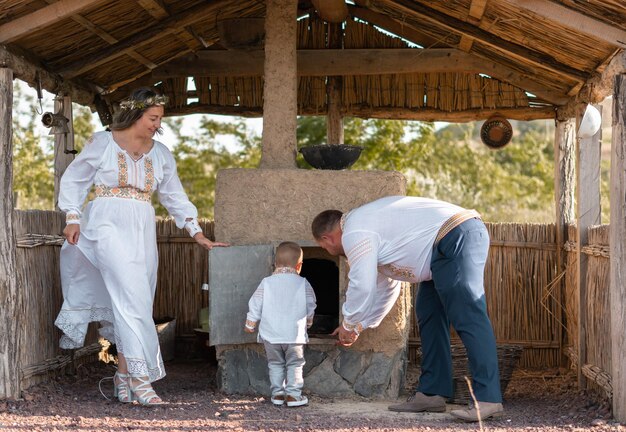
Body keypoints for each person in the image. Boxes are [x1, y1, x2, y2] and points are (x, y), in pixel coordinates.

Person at [54, 87, 228, 406]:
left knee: (136, 302)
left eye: (160, 119)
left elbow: (174, 196)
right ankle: (141, 380)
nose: (157, 124)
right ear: (135, 114)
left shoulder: (160, 153)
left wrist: (196, 232)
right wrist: (73, 216)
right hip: (106, 222)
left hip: (142, 228)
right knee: (130, 297)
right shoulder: (102, 141)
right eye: (152, 117)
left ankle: (123, 375)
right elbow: (75, 179)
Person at [311, 196, 503, 422]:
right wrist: (360, 325)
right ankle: (432, 393)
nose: (328, 251)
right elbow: (386, 288)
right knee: (428, 313)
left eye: (324, 247)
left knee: (468, 315)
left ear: (328, 237)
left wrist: (349, 323)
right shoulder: (367, 230)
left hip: (456, 234)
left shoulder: (354, 232)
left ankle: (488, 399)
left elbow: (361, 284)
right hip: (439, 251)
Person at [244, 241, 317, 407]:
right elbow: (311, 303)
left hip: (271, 334)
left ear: (275, 264)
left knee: (275, 363)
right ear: (299, 266)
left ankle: (277, 394)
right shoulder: (303, 283)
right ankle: (293, 395)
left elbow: (255, 303)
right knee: (295, 364)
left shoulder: (266, 282)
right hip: (294, 335)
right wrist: (309, 321)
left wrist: (250, 323)